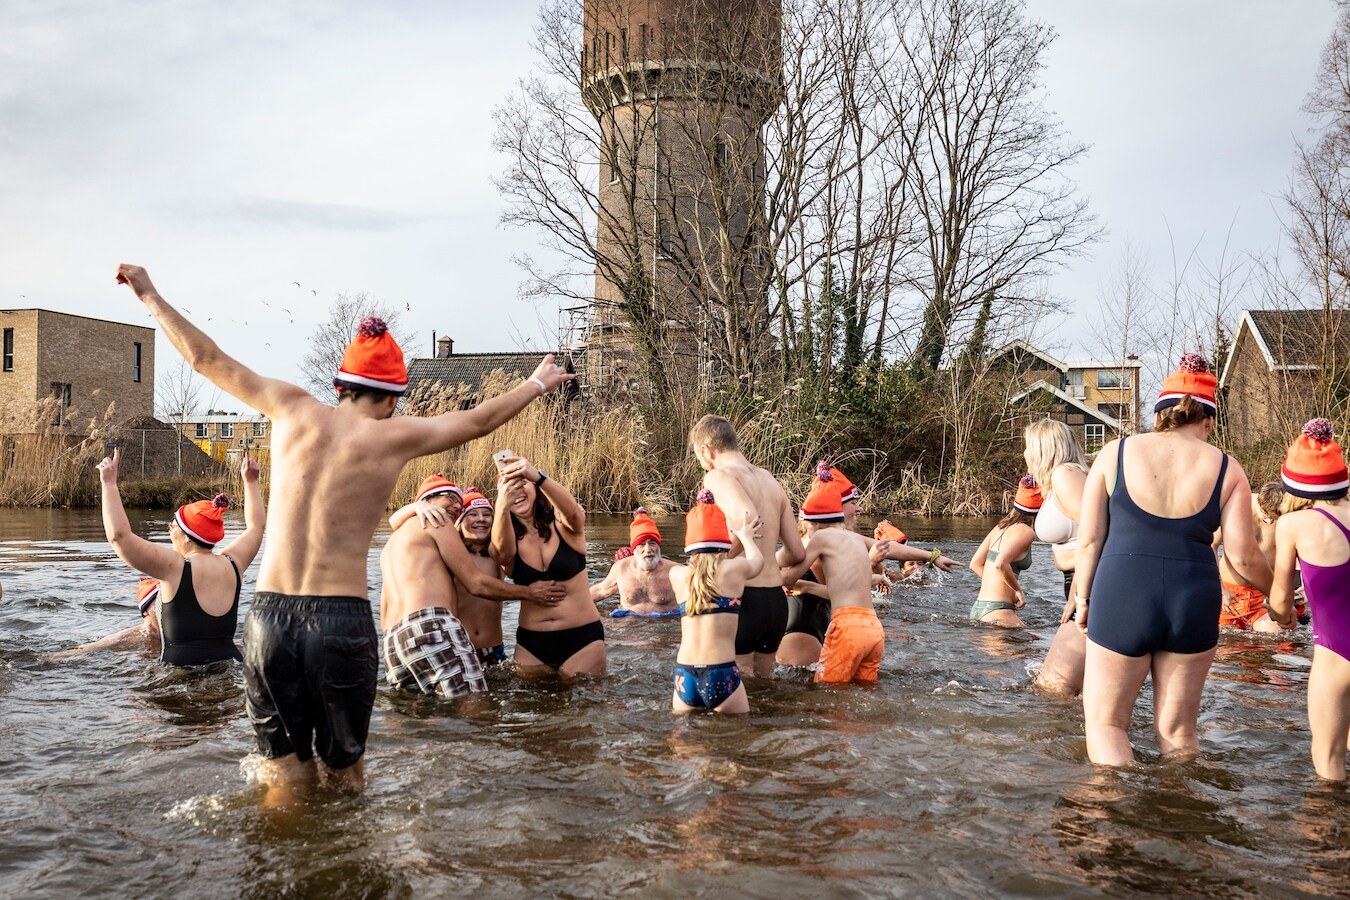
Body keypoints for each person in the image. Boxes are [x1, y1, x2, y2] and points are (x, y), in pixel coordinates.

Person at [116, 264, 571, 800]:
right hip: (339, 621)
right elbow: (478, 421)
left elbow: (204, 358)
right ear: (393, 397)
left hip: (270, 620)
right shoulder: (394, 437)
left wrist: (149, 294)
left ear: (341, 385)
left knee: (284, 775)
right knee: (346, 777)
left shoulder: (288, 406)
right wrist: (536, 382)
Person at [1074, 354, 1272, 766]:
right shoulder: (1228, 468)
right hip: (1192, 599)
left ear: (1159, 415)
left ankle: (1112, 805)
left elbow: (1090, 539)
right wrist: (1279, 593)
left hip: (1124, 591)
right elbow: (1242, 555)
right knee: (1179, 732)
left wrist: (1083, 599)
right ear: (1209, 421)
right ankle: (1180, 803)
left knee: (1108, 724)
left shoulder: (1114, 453)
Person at [381, 476, 565, 698]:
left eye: (487, 514)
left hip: (396, 641)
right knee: (474, 703)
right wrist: (529, 593)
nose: (456, 506)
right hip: (435, 629)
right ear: (427, 502)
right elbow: (476, 583)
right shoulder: (442, 529)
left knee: (423, 708)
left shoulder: (397, 542)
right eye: (451, 498)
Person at [83, 447, 264, 664]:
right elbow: (256, 526)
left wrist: (109, 484)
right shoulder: (233, 563)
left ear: (187, 537)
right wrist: (251, 482)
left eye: (173, 526)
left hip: (180, 673)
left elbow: (119, 537)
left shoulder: (175, 566)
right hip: (229, 666)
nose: (169, 531)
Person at [689, 415, 805, 677]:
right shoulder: (769, 480)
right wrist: (765, 560)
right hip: (775, 603)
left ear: (707, 451)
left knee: (737, 689)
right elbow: (797, 552)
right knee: (764, 686)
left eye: (699, 457)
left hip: (742, 599)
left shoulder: (718, 476)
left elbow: (749, 518)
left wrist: (713, 565)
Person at [1268, 419, 1350, 780]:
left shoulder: (1293, 525)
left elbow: (1280, 599)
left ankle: (1327, 818)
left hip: (1335, 656)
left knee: (1328, 758)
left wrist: (1283, 614)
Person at [491, 454, 604, 676]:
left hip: (582, 638)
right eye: (509, 487)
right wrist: (501, 507)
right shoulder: (505, 538)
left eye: (523, 483)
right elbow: (502, 556)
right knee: (533, 699)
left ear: (535, 488)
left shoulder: (562, 525)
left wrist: (537, 476)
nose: (517, 491)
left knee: (585, 697)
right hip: (531, 644)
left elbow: (574, 513)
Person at [779, 473, 886, 684]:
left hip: (829, 631)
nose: (858, 509)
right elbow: (845, 587)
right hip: (807, 635)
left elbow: (791, 577)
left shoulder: (829, 540)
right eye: (852, 503)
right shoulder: (826, 542)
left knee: (830, 691)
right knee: (843, 691)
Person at [670, 491, 764, 713]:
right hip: (721, 671)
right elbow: (758, 561)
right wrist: (745, 537)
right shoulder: (734, 569)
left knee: (683, 735)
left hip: (685, 675)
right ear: (723, 542)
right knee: (736, 733)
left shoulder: (677, 575)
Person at [1023, 419, 1091, 697]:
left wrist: (1079, 594)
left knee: (1053, 689)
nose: (1025, 454)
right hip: (1083, 581)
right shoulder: (1063, 479)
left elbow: (1097, 532)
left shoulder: (1066, 475)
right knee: (1080, 693)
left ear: (1043, 449)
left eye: (1028, 447)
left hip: (1089, 582)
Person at [1218, 482, 1297, 632]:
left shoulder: (1286, 515)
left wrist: (1301, 590)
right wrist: (1220, 590)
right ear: (1259, 502)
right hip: (1230, 592)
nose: (1269, 522)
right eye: (1266, 517)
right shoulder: (1234, 508)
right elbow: (1210, 546)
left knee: (1279, 633)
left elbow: (1300, 550)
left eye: (1273, 519)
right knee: (1224, 641)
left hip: (1264, 593)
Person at [968, 477, 1042, 627]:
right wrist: (1018, 590)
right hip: (999, 611)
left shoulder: (999, 527)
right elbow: (1001, 564)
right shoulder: (1027, 532)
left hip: (979, 608)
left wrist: (1000, 585)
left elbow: (975, 564)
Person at [589, 508, 679, 616]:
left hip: (664, 623)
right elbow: (601, 590)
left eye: (652, 543)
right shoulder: (621, 568)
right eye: (641, 544)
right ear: (634, 549)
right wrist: (572, 602)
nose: (648, 549)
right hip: (628, 624)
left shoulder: (674, 571)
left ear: (658, 547)